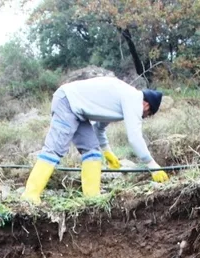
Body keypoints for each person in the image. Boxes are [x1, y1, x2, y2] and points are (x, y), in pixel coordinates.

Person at [21, 76, 169, 204]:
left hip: (78, 110)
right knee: (55, 149)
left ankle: (91, 197)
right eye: (148, 114)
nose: (144, 117)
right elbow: (134, 137)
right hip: (67, 101)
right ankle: (30, 195)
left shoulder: (122, 100)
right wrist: (152, 165)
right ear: (147, 104)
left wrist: (107, 151)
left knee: (92, 150)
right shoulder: (133, 99)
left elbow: (99, 127)